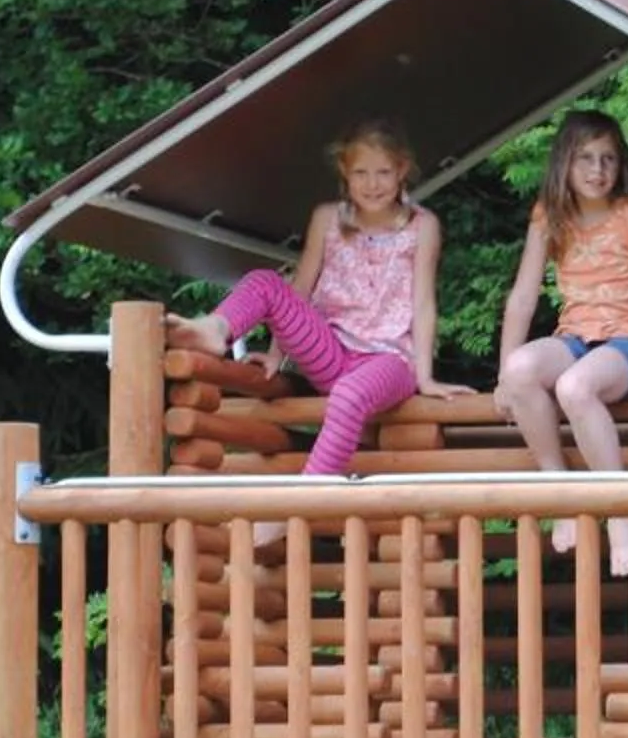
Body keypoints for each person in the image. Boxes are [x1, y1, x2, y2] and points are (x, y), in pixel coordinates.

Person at [165, 120, 468, 488]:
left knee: (348, 394)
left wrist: (425, 377)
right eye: (361, 173)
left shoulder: (422, 225)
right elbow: (300, 292)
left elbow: (423, 303)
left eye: (383, 172)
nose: (373, 184)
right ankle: (215, 330)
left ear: (402, 170)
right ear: (344, 171)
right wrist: (278, 355)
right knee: (267, 282)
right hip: (332, 351)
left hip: (390, 360)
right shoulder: (327, 218)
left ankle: (304, 497)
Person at [492, 109, 628, 570]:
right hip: (576, 335)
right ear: (564, 165)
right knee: (520, 370)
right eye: (586, 159)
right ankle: (560, 487)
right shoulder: (549, 217)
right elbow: (521, 298)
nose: (598, 171)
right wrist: (502, 379)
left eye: (608, 159)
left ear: (622, 164)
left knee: (575, 387)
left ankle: (617, 512)